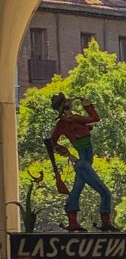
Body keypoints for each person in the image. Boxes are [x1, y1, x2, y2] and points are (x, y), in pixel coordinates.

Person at [49, 92, 118, 232]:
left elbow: (52, 142)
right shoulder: (74, 118)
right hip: (82, 162)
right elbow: (95, 118)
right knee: (105, 193)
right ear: (66, 106)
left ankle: (73, 223)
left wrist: (65, 151)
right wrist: (87, 105)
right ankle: (105, 222)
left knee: (76, 191)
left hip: (82, 161)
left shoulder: (62, 123)